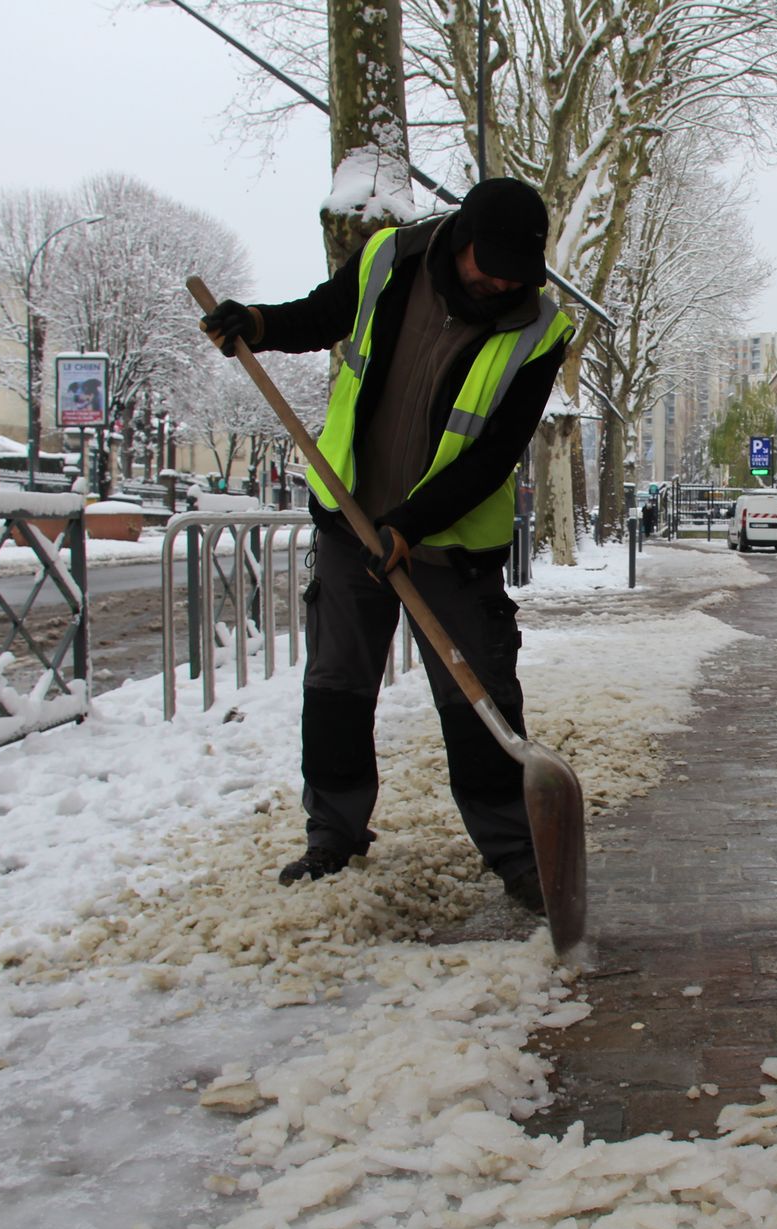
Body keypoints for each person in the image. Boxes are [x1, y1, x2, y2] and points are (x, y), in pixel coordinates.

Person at [200, 177, 573, 910]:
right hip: (350, 519)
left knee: (479, 700)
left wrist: (412, 525)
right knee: (337, 686)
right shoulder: (389, 259)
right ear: (459, 239)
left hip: (452, 545)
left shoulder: (539, 329)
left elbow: (492, 454)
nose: (499, 282)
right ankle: (332, 834)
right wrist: (260, 325)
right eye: (488, 265)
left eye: (513, 274)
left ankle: (519, 856)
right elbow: (325, 315)